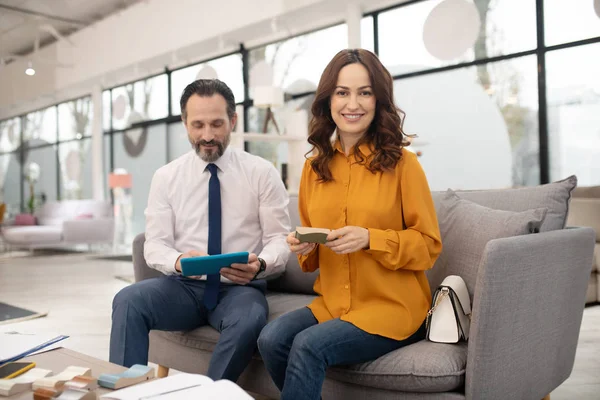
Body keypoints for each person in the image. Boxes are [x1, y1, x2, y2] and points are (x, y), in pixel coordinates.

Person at [257, 49, 442, 400]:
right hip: (333, 305)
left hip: (393, 309)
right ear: (329, 100)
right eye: (342, 92)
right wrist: (306, 247)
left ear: (378, 100)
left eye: (365, 92)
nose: (352, 103)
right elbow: (311, 255)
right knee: (271, 339)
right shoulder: (314, 169)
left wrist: (370, 238)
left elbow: (428, 246)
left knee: (309, 346)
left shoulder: (404, 163)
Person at [109, 79, 291, 382]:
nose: (208, 135)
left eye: (217, 124)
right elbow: (154, 245)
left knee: (249, 320)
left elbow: (278, 239)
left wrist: (260, 264)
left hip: (239, 289)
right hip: (183, 287)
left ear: (233, 121)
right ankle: (127, 392)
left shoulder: (261, 173)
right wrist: (180, 260)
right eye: (198, 125)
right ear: (185, 124)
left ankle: (209, 393)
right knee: (128, 300)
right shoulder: (166, 177)